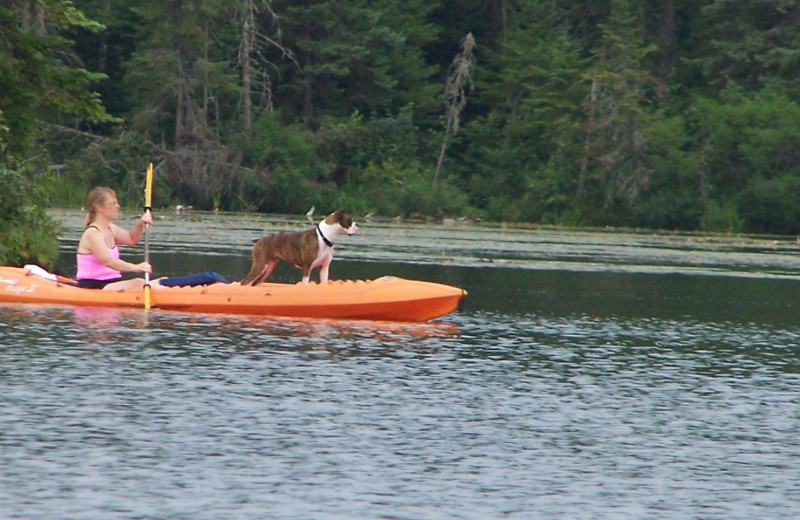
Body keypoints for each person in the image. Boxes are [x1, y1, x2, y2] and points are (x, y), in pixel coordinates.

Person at [76, 186, 161, 290]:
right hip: (94, 285)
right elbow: (107, 261)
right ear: (99, 208)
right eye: (113, 203)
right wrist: (135, 267)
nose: (118, 206)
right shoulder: (93, 233)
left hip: (113, 283)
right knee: (139, 282)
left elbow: (131, 239)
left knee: (160, 280)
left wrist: (140, 224)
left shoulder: (111, 229)